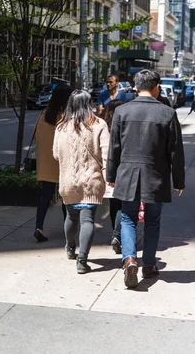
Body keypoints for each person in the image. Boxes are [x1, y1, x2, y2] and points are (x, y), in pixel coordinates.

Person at [107, 69, 185, 289]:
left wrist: (110, 176)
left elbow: (114, 148)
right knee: (152, 221)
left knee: (128, 218)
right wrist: (178, 181)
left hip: (127, 174)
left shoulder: (121, 112)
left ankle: (130, 259)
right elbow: (175, 152)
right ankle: (149, 264)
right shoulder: (167, 113)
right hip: (156, 175)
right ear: (156, 87)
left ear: (135, 87)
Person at [53, 90, 109, 274]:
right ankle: (82, 260)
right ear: (89, 104)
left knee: (71, 217)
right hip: (91, 181)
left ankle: (70, 248)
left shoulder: (61, 127)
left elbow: (55, 154)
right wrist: (109, 177)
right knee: (87, 221)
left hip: (68, 181)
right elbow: (106, 154)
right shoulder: (99, 124)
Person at [32, 84, 73, 243]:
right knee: (66, 198)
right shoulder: (66, 117)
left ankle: (38, 227)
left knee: (45, 196)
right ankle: (68, 229)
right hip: (63, 162)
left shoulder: (43, 115)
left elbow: (37, 137)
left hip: (45, 163)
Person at [101, 99, 124, 254]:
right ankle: (117, 235)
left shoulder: (103, 127)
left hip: (108, 171)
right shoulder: (124, 127)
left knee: (113, 205)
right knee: (123, 205)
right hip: (123, 170)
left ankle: (115, 233)